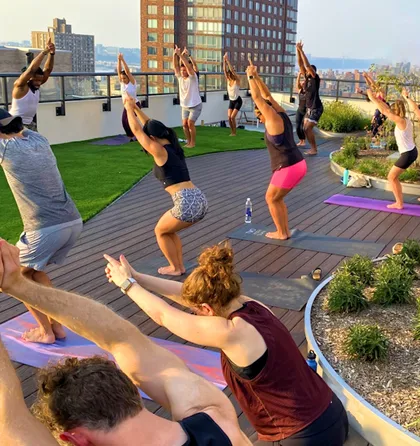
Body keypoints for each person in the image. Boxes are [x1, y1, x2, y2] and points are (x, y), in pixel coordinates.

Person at [0, 239, 250, 446]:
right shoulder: (215, 416)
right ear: (133, 391)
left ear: (76, 439)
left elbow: (10, 420)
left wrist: (14, 284)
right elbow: (122, 339)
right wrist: (16, 284)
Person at [103, 241, 349, 446]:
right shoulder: (251, 305)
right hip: (330, 410)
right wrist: (137, 277)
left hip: (302, 436)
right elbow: (188, 296)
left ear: (207, 308)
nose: (195, 314)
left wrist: (127, 285)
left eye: (197, 311)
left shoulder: (232, 333)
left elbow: (163, 315)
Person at [0, 109, 82, 344]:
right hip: (72, 221)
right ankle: (56, 327)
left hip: (45, 229)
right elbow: (21, 128)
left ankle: (46, 332)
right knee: (34, 272)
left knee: (15, 277)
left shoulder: (5, 149)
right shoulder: (39, 140)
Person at [123, 97, 208, 275]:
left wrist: (128, 108)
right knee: (168, 231)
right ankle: (179, 266)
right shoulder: (173, 147)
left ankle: (175, 268)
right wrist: (136, 109)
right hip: (198, 198)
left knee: (160, 231)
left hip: (187, 202)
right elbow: (150, 125)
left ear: (153, 138)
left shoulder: (160, 151)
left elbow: (137, 131)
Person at [247, 57, 307, 240]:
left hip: (287, 166)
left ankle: (281, 233)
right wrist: (257, 77)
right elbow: (266, 96)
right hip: (298, 163)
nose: (259, 117)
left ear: (262, 112)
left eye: (259, 114)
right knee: (277, 199)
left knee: (271, 198)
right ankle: (284, 231)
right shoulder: (281, 112)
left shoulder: (272, 119)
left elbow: (257, 98)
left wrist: (250, 77)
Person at [364, 72, 418, 210]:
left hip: (408, 154)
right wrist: (404, 97)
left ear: (396, 111)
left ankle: (399, 203)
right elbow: (386, 108)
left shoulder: (400, 121)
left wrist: (372, 97)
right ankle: (399, 202)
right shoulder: (405, 120)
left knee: (391, 177)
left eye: (393, 109)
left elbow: (385, 110)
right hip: (411, 152)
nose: (391, 111)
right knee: (393, 177)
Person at [9, 39, 55, 132]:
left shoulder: (36, 85)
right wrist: (44, 52)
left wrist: (52, 53)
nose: (39, 83)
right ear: (28, 78)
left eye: (40, 80)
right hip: (15, 124)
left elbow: (48, 69)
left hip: (29, 124)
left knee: (39, 141)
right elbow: (31, 70)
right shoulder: (20, 87)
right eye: (36, 80)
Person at [296, 41, 323, 156]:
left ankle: (314, 149)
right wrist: (297, 50)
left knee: (307, 129)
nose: (306, 71)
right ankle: (312, 147)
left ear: (313, 71)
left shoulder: (315, 78)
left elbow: (306, 65)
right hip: (309, 109)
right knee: (304, 128)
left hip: (316, 108)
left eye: (309, 70)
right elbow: (301, 65)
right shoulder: (306, 79)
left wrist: (301, 51)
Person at [174, 46, 202, 149]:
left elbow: (190, 67)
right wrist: (175, 54)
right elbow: (176, 66)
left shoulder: (193, 77)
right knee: (184, 124)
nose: (182, 72)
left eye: (184, 70)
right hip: (185, 105)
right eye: (182, 70)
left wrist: (182, 55)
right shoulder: (180, 78)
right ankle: (188, 141)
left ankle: (193, 143)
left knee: (190, 123)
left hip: (195, 105)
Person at [117, 53, 139, 142]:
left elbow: (127, 71)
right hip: (126, 106)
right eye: (122, 78)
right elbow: (119, 71)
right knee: (124, 121)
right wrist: (118, 60)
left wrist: (122, 60)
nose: (123, 80)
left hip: (134, 104)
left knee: (130, 121)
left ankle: (136, 135)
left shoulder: (132, 83)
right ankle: (131, 137)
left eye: (125, 78)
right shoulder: (122, 83)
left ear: (128, 78)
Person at [223, 52, 243, 137]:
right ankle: (232, 132)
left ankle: (234, 132)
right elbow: (224, 70)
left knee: (232, 117)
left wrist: (227, 61)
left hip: (238, 101)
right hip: (231, 101)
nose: (234, 72)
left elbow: (231, 70)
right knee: (229, 117)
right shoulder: (228, 80)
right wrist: (224, 61)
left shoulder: (237, 80)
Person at [295, 73, 307, 146]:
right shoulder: (300, 90)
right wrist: (299, 75)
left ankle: (304, 141)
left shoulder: (309, 91)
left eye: (304, 82)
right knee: (297, 126)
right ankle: (301, 140)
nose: (303, 83)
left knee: (302, 127)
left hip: (306, 111)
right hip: (300, 110)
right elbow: (297, 84)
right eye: (302, 82)